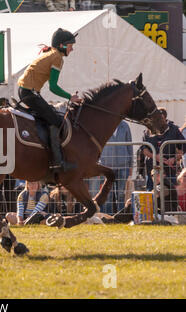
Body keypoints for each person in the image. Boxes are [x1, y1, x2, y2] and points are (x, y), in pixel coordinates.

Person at [17, 28, 82, 173]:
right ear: (62, 45)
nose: (72, 49)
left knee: (50, 115)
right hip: (29, 93)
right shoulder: (57, 58)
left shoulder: (51, 53)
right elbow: (53, 87)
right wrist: (70, 97)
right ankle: (57, 162)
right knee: (57, 122)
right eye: (71, 46)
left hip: (26, 91)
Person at [90, 121, 133, 214]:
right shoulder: (103, 125)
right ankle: (107, 216)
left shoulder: (125, 126)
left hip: (123, 166)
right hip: (106, 167)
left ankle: (120, 216)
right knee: (107, 194)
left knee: (121, 194)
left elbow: (130, 145)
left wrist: (130, 165)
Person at [142, 109, 185, 193]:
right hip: (152, 168)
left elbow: (182, 149)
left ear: (164, 118)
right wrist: (155, 157)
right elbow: (144, 149)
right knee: (151, 192)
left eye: (159, 118)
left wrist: (174, 158)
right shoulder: (148, 130)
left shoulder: (174, 130)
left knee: (170, 192)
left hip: (169, 170)